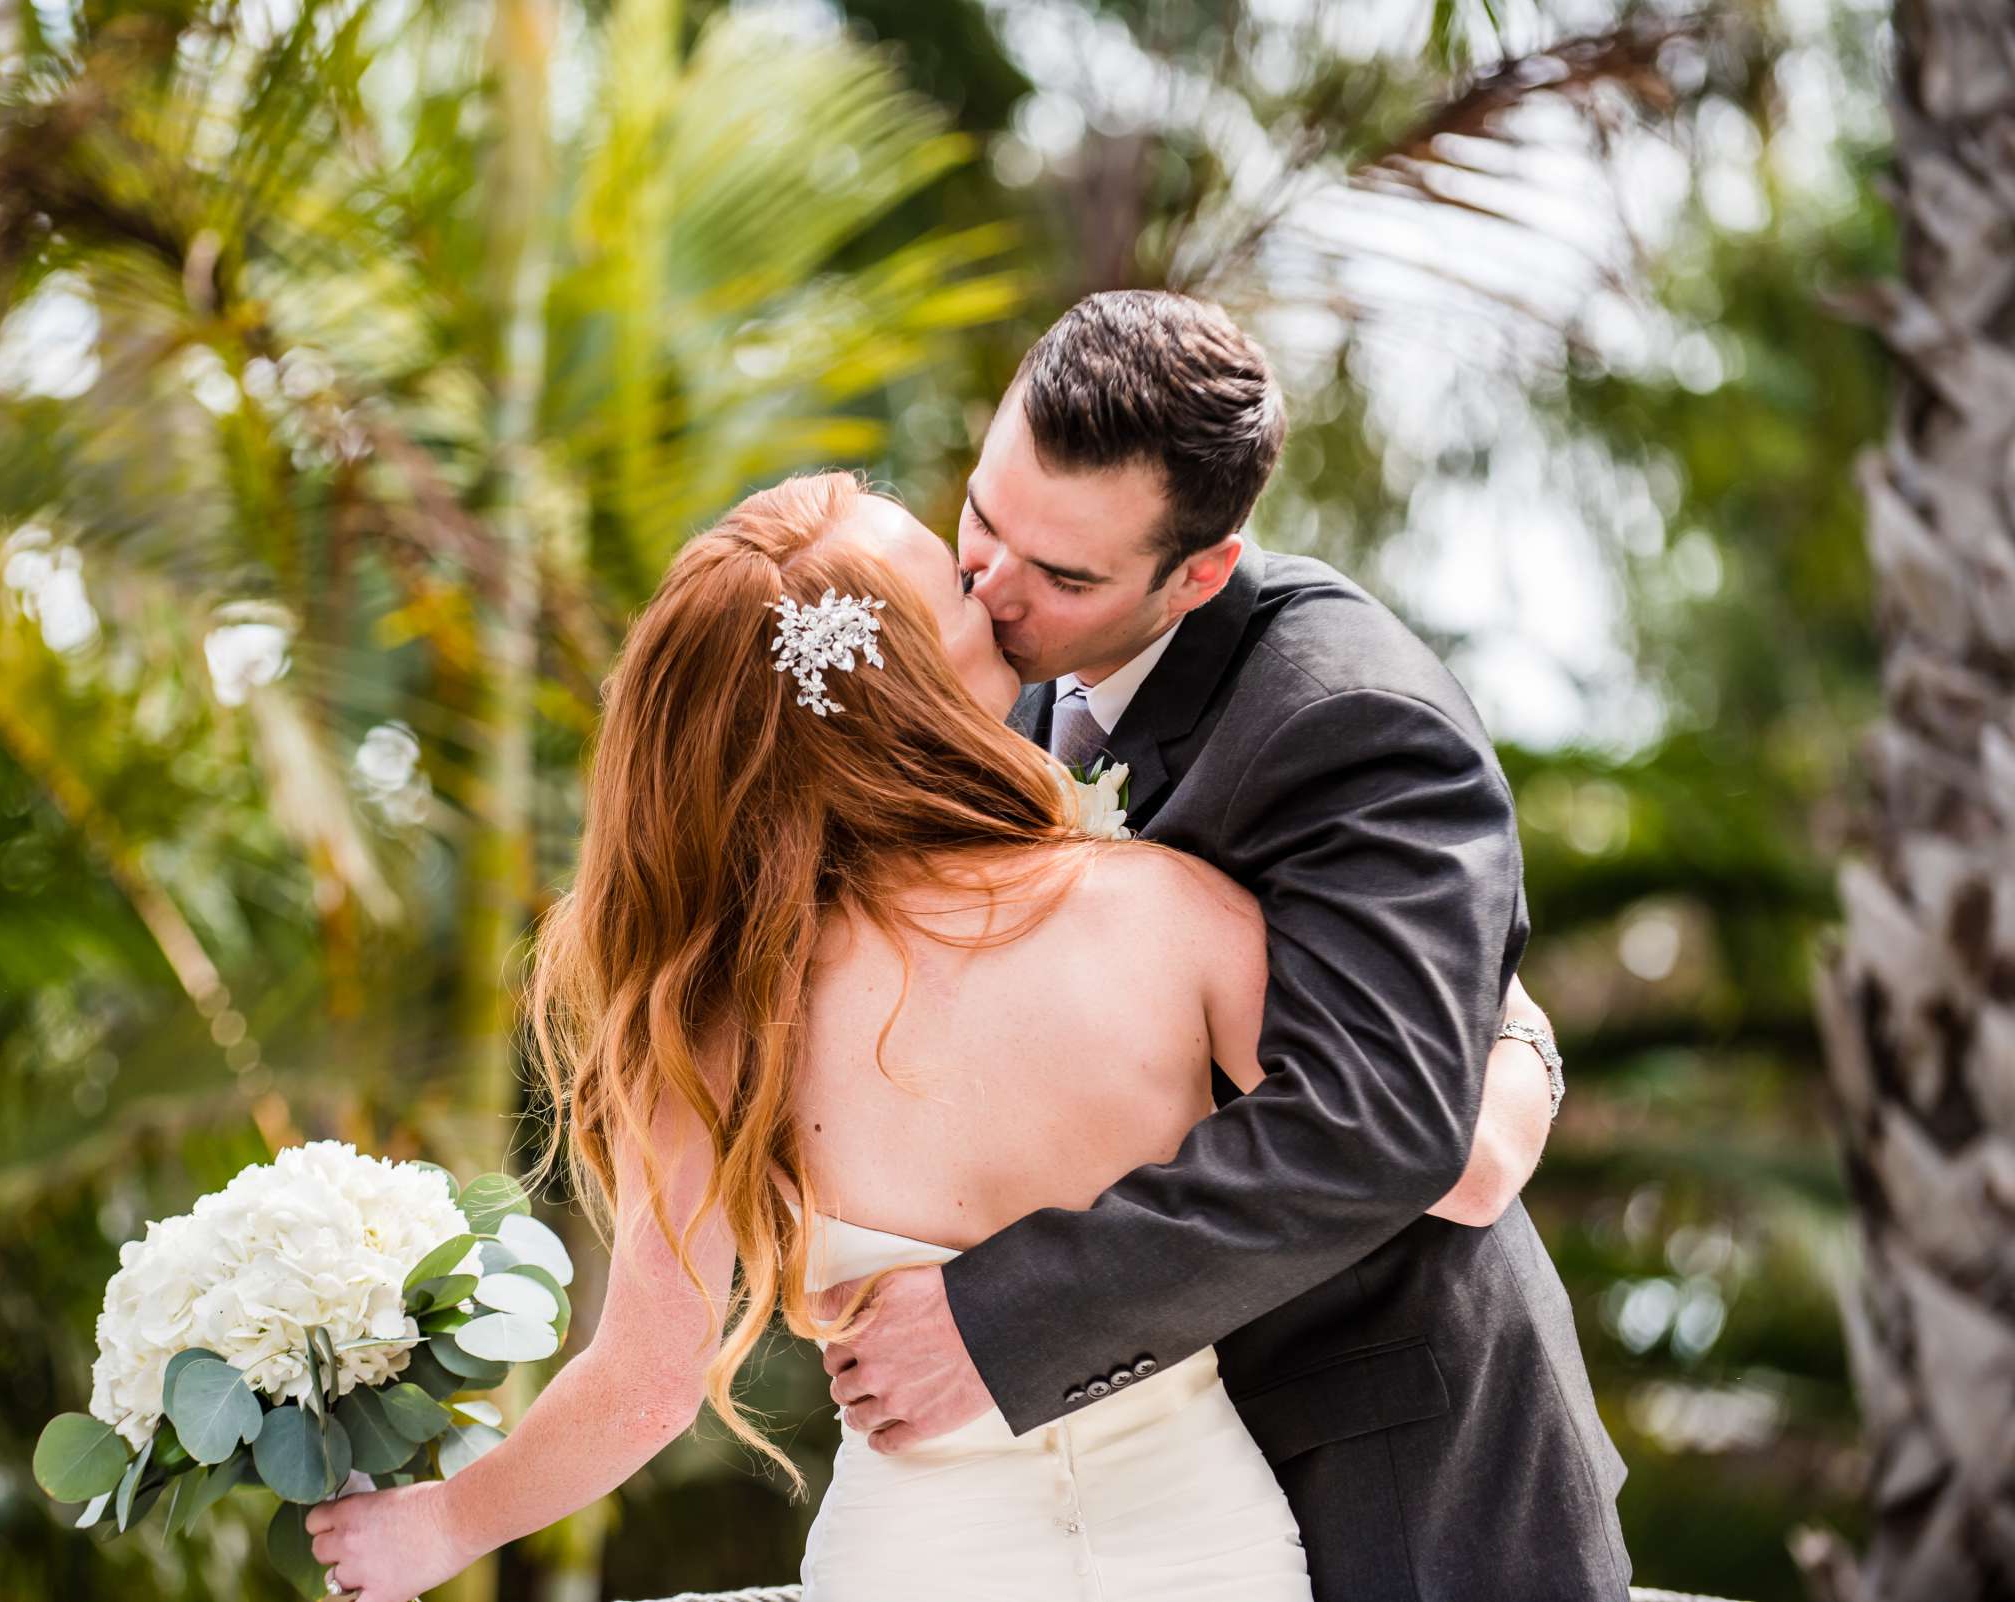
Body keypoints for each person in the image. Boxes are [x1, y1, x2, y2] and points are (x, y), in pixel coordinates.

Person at [305, 468, 1560, 1602]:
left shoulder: (711, 1011)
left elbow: (642, 1384)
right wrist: (1507, 1030)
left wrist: (437, 1527)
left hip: (917, 1563)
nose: (999, 591)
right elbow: (1433, 1157)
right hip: (1208, 1551)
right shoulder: (1174, 913)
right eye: (963, 583)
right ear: (908, 682)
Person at [815, 290, 1631, 1600]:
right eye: (981, 511)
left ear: (1199, 572)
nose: (986, 586)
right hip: (1126, 1485)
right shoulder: (1001, 662)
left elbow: (1384, 1125)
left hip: (1392, 1472)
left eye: (1066, 573)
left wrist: (997, 1320)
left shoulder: (1352, 715)